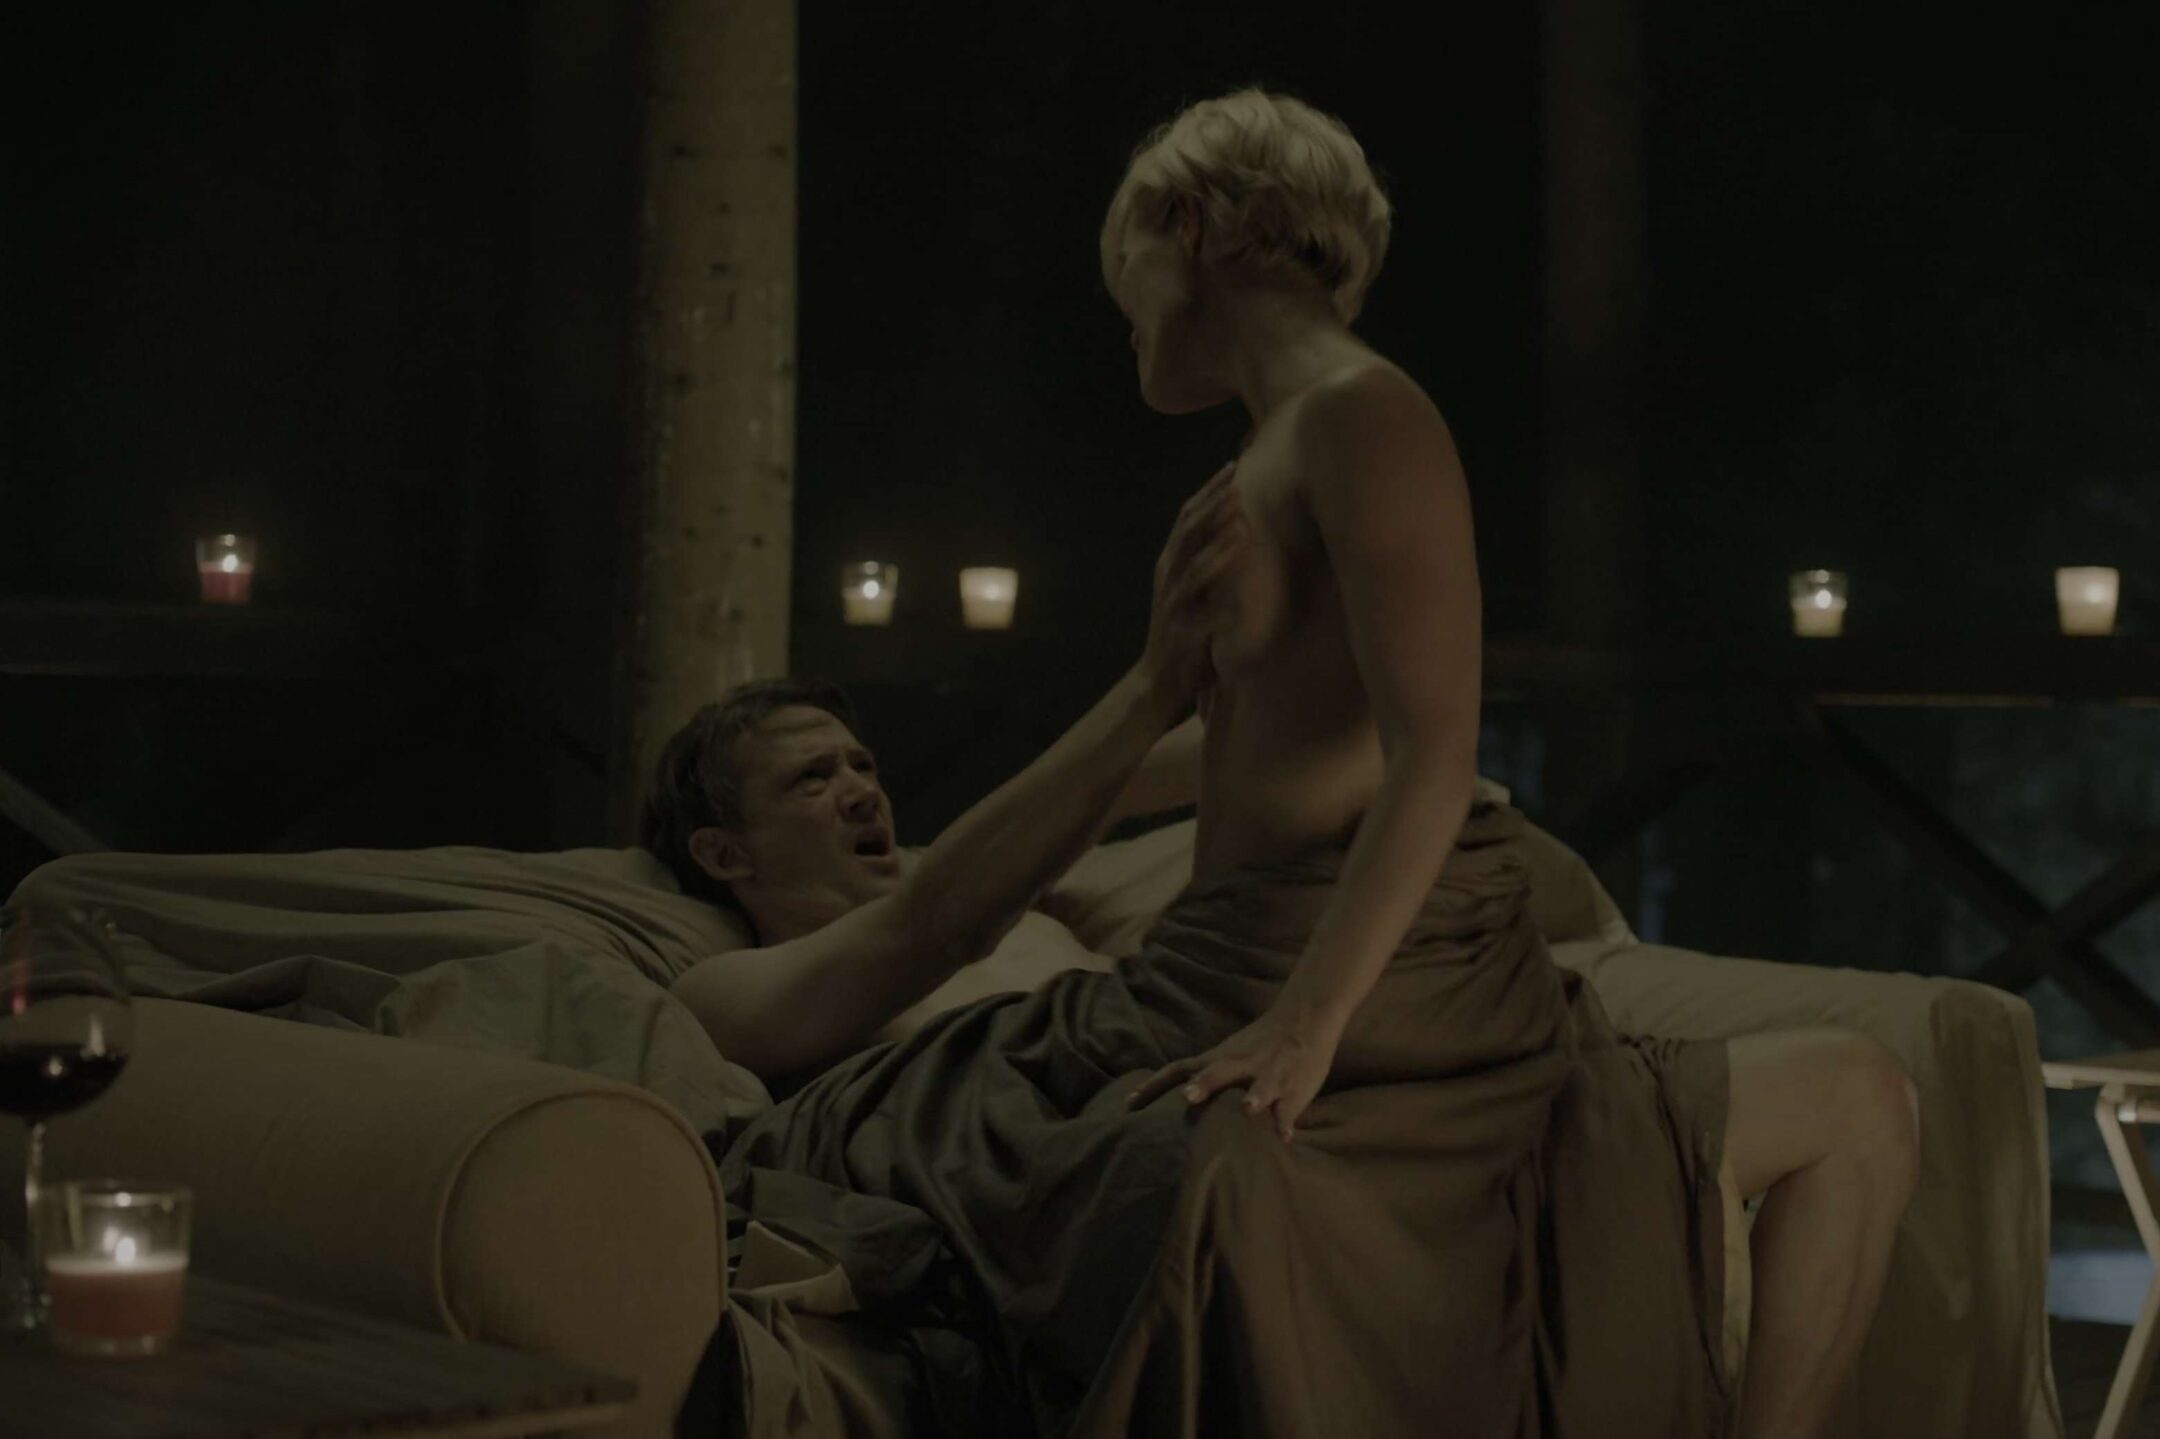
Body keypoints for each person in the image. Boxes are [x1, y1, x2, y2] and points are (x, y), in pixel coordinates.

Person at [664, 89, 1919, 1439]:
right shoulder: (1266, 455)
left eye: (1123, 268)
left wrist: (1308, 1023)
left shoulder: (1363, 415)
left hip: (1357, 968)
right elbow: (1263, 733)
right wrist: (1039, 804)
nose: (1122, 315)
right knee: (937, 1109)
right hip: (1232, 950)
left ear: (1188, 225)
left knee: (1859, 1100)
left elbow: (1434, 750)